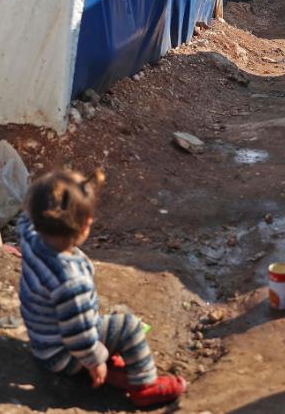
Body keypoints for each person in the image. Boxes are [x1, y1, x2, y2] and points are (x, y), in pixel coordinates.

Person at [17, 169, 187, 407]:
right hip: (62, 353)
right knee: (129, 327)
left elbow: (24, 218)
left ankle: (113, 373)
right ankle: (143, 386)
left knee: (106, 326)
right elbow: (78, 333)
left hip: (42, 338)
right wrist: (94, 359)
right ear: (86, 226)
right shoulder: (71, 282)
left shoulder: (30, 238)